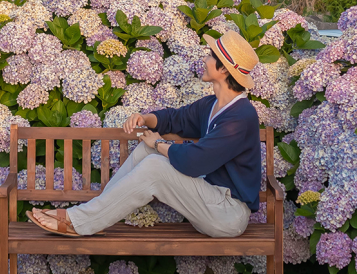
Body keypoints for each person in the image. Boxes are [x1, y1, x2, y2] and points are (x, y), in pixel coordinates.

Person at [28, 31, 261, 237]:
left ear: (223, 68)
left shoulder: (241, 116)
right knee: (146, 149)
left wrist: (159, 143)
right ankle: (88, 218)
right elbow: (176, 118)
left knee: (155, 166)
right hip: (209, 204)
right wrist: (144, 118)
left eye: (211, 55)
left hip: (228, 214)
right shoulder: (212, 105)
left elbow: (196, 161)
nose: (205, 59)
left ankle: (79, 221)